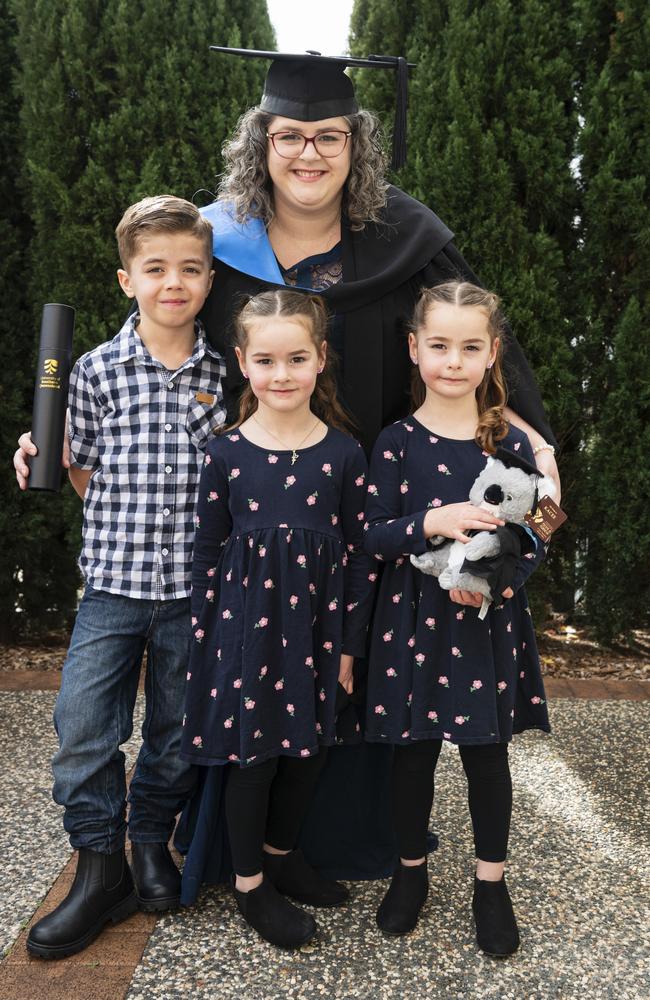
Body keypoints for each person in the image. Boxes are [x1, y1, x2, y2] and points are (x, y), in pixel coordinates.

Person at [15, 48, 560, 884]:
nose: (310, 153)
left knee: (347, 666)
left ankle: (337, 843)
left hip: (367, 493)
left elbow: (485, 344)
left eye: (330, 137)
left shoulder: (407, 235)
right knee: (244, 677)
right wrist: (58, 434)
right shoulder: (215, 241)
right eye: (291, 135)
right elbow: (158, 353)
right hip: (254, 509)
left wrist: (536, 438)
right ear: (261, 142)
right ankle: (218, 853)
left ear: (357, 145)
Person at [26, 196, 226, 959]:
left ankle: (150, 840)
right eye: (155, 269)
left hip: (193, 595)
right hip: (112, 586)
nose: (173, 282)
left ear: (208, 279)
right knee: (83, 731)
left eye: (189, 269)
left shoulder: (227, 370)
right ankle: (98, 863)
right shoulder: (93, 369)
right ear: (126, 279)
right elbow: (73, 462)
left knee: (175, 733)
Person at [180, 289, 375, 947]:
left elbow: (356, 555)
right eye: (266, 361)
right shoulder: (225, 453)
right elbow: (207, 550)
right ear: (243, 362)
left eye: (297, 358)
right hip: (244, 640)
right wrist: (210, 641)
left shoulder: (345, 455)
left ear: (321, 359)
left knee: (309, 755)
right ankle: (250, 885)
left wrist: (348, 646)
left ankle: (284, 855)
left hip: (317, 638)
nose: (283, 374)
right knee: (254, 760)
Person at [363, 280, 551, 955]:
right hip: (410, 621)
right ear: (414, 349)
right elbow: (373, 534)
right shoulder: (395, 442)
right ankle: (410, 874)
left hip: (484, 625)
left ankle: (490, 884)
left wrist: (495, 586)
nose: (452, 360)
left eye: (469, 347)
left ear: (491, 353)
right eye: (438, 345)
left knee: (484, 755)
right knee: (410, 756)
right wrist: (431, 522)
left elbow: (529, 539)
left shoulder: (509, 448)